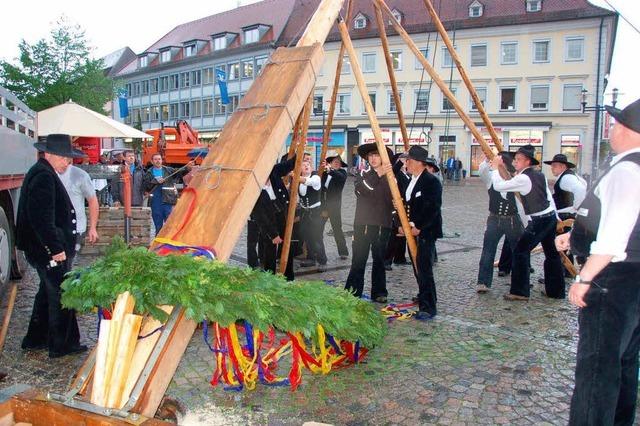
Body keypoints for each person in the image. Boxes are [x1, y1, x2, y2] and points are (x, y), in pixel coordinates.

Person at [556, 98, 640, 426]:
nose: (612, 129)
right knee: (623, 361)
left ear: (631, 131)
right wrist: (575, 236)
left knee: (596, 370)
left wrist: (585, 278)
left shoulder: (627, 170)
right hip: (631, 278)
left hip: (614, 279)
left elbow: (616, 233)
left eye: (617, 124)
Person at [16, 134, 88, 358]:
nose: (68, 162)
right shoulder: (44, 176)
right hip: (46, 250)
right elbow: (41, 219)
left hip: (44, 248)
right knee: (60, 294)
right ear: (50, 155)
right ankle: (62, 345)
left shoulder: (43, 172)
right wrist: (55, 249)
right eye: (65, 157)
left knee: (46, 293)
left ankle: (35, 339)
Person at [490, 144, 564, 300]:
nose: (515, 162)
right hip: (548, 217)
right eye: (515, 159)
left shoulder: (524, 178)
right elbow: (548, 197)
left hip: (539, 221)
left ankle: (520, 292)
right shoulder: (539, 175)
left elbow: (499, 186)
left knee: (520, 251)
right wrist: (555, 216)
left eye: (519, 159)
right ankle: (556, 291)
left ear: (528, 162)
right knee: (552, 254)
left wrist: (496, 168)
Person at [398, 146, 443, 320]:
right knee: (419, 267)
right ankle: (425, 295)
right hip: (413, 230)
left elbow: (433, 208)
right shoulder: (413, 179)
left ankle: (428, 307)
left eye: (408, 160)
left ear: (417, 162)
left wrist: (420, 227)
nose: (406, 163)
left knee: (424, 268)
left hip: (426, 232)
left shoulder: (431, 181)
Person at [345, 143, 394, 303]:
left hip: (383, 224)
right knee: (359, 259)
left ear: (383, 158)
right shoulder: (363, 173)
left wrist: (396, 221)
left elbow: (395, 202)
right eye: (370, 156)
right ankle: (353, 291)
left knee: (380, 260)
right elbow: (361, 190)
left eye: (377, 155)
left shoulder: (392, 177)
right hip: (363, 223)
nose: (373, 159)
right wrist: (378, 174)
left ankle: (379, 292)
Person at [476, 152, 525, 293]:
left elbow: (521, 205)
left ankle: (520, 282)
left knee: (519, 251)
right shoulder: (491, 177)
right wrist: (487, 159)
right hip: (494, 218)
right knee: (488, 250)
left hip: (512, 220)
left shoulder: (515, 179)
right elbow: (482, 171)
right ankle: (483, 282)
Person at [544, 153, 587, 270]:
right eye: (552, 166)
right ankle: (567, 270)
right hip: (568, 213)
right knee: (566, 245)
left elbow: (581, 190)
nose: (552, 168)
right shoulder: (571, 176)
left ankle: (560, 271)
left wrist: (576, 207)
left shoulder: (566, 178)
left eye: (555, 166)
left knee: (559, 245)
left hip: (565, 214)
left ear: (563, 167)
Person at [57, 162, 100, 255]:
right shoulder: (46, 174)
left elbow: (92, 200)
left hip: (76, 228)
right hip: (54, 228)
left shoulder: (80, 175)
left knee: (68, 260)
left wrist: (93, 228)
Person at [142, 153, 190, 235]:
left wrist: (188, 168)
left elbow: (179, 172)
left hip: (168, 200)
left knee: (169, 224)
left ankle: (169, 243)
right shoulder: (148, 173)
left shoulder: (168, 170)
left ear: (162, 160)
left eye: (159, 159)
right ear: (152, 161)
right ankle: (158, 244)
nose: (158, 161)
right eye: (156, 159)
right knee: (158, 225)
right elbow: (145, 187)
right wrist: (155, 181)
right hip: (155, 202)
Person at [298, 160, 327, 271]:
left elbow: (307, 182)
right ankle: (311, 258)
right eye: (303, 165)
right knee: (305, 235)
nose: (306, 166)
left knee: (317, 237)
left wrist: (295, 176)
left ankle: (322, 260)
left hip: (316, 212)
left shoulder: (316, 178)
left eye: (308, 165)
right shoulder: (298, 179)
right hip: (305, 212)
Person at [320, 154, 349, 259]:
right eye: (334, 161)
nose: (337, 163)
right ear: (330, 163)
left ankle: (343, 252)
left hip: (335, 207)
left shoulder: (342, 173)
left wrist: (330, 170)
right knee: (318, 228)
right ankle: (318, 253)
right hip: (323, 205)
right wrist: (323, 208)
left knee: (337, 229)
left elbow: (339, 177)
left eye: (338, 162)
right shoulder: (324, 173)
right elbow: (321, 189)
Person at [385, 153, 410, 270]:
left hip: (405, 207)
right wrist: (400, 162)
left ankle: (400, 258)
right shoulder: (396, 174)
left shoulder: (407, 174)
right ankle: (387, 261)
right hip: (396, 207)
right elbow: (392, 173)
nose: (405, 162)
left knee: (402, 236)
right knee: (394, 235)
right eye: (403, 161)